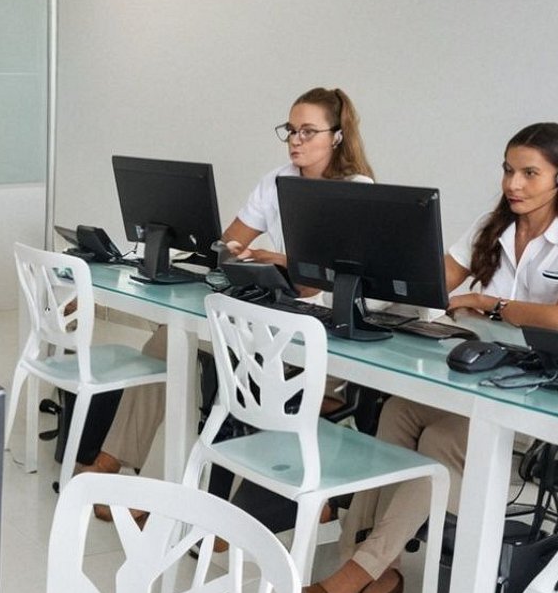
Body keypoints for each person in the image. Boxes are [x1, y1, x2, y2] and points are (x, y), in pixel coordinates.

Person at [306, 122, 558, 593]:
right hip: (478, 371)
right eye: (508, 170)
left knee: (439, 442)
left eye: (529, 173)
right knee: (396, 414)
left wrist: (488, 304)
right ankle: (370, 566)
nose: (513, 184)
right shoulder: (493, 226)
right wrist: (371, 273)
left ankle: (362, 568)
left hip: (539, 387)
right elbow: (430, 286)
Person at [85, 87, 376, 484]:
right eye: (291, 130)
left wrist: (278, 260)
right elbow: (228, 241)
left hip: (322, 329)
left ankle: (197, 494)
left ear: (337, 136)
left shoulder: (357, 189)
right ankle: (113, 462)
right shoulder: (278, 180)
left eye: (308, 131)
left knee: (226, 362)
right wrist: (235, 252)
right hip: (275, 312)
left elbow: (324, 281)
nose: (295, 140)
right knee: (167, 340)